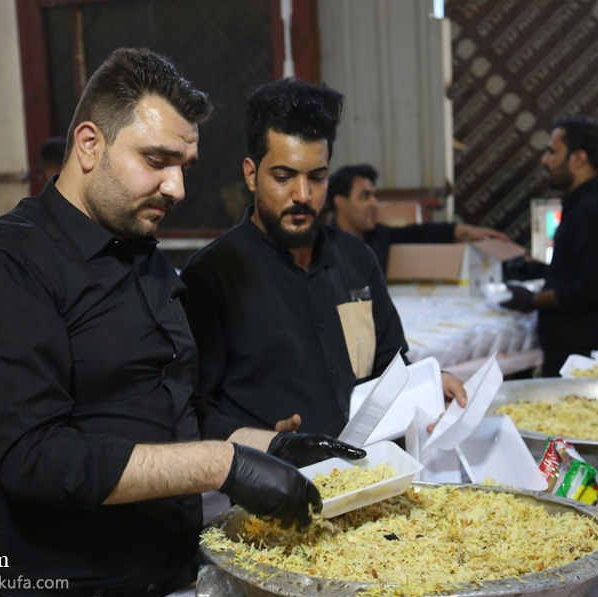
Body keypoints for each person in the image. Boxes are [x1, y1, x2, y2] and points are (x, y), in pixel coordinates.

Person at [0, 49, 360, 597]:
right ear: (90, 144)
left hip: (166, 575)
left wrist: (269, 448)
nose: (176, 187)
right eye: (157, 160)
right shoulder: (2, 264)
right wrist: (223, 465)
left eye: (184, 167)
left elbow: (174, 414)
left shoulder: (143, 258)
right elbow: (36, 458)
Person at [181, 79, 467, 442]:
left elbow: (391, 368)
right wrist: (262, 441)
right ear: (251, 175)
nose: (303, 195)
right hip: (269, 475)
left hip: (370, 468)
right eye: (283, 177)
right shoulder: (212, 276)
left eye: (317, 178)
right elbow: (194, 411)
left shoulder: (355, 258)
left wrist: (429, 386)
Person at [501, 116, 598, 376]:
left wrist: (533, 299)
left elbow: (597, 287)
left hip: (590, 361)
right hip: (586, 353)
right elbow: (590, 266)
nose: (545, 160)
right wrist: (545, 270)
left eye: (553, 152)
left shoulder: (592, 211)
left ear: (578, 158)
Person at [327, 164, 511, 273]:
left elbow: (419, 233)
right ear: (340, 202)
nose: (375, 204)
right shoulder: (323, 247)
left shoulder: (378, 236)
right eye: (365, 196)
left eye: (375, 196)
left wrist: (467, 231)